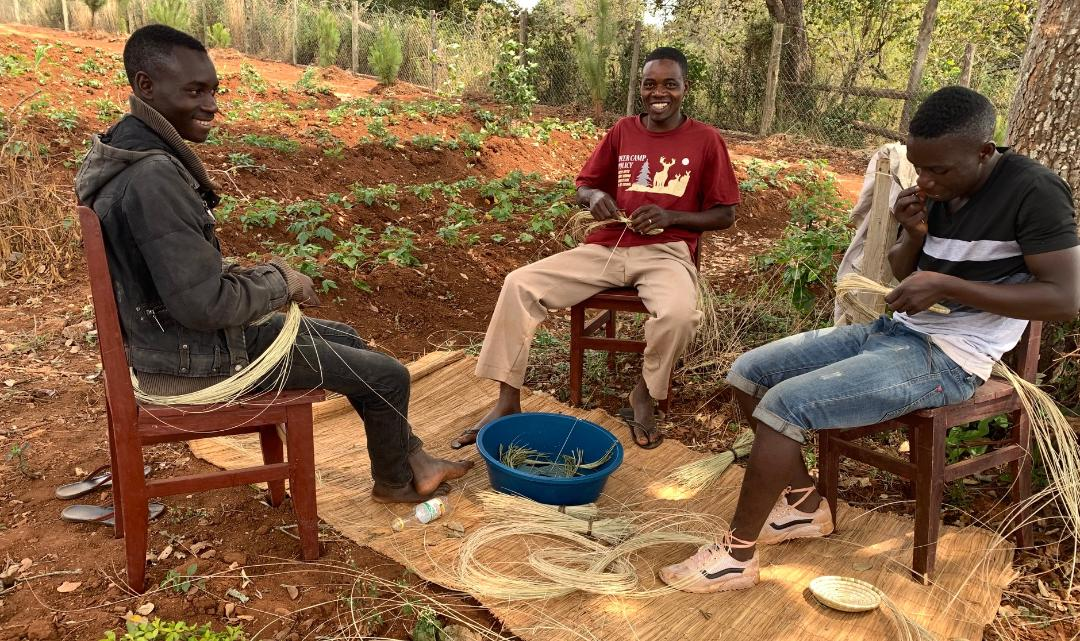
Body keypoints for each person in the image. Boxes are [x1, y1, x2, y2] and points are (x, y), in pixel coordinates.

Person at [660, 85, 1080, 592]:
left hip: (951, 359)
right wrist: (916, 234)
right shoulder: (941, 187)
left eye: (936, 170)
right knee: (749, 375)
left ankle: (736, 557)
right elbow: (900, 268)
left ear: (985, 152)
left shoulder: (1035, 191)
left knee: (783, 406)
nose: (924, 180)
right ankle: (805, 508)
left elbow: (1064, 298)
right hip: (893, 332)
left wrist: (946, 284)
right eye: (918, 167)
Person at [74, 25, 472, 504]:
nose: (212, 105)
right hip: (195, 363)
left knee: (345, 338)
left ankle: (412, 462)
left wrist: (259, 278)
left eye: (214, 90)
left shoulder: (127, 153)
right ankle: (395, 484)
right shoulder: (153, 177)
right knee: (389, 375)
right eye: (195, 91)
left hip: (167, 344)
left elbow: (180, 279)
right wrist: (278, 281)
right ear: (146, 87)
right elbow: (204, 305)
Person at [450, 46, 739, 450]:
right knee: (519, 284)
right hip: (608, 246)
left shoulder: (705, 140)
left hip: (666, 253)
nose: (660, 93)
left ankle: (644, 394)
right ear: (640, 87)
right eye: (650, 84)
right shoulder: (623, 130)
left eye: (670, 85)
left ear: (684, 89)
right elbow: (583, 185)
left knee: (678, 315)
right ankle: (506, 401)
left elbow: (726, 214)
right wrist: (592, 197)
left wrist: (672, 217)